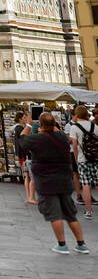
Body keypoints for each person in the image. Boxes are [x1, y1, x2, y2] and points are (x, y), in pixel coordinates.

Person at [23, 112, 89, 254]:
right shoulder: (60, 137)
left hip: (47, 182)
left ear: (40, 125)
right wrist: (49, 124)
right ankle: (81, 244)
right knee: (70, 214)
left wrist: (29, 123)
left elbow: (22, 140)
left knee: (55, 215)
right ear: (54, 124)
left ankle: (62, 244)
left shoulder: (36, 139)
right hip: (64, 180)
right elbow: (57, 132)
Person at [68, 104, 98, 219]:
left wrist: (76, 159)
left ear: (76, 114)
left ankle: (89, 211)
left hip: (82, 159)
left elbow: (74, 146)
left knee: (85, 185)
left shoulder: (74, 127)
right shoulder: (94, 126)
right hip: (95, 159)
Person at [14, 109, 36, 205]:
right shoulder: (19, 128)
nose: (25, 119)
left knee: (27, 175)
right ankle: (29, 196)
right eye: (24, 117)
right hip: (24, 155)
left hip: (23, 154)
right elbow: (23, 141)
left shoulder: (21, 127)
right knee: (28, 176)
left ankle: (29, 196)